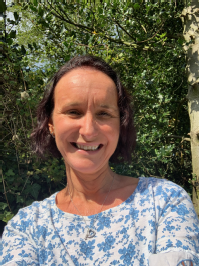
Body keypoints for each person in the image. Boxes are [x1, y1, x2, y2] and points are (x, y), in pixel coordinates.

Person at [2, 55, 199, 266]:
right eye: (73, 112)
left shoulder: (164, 201)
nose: (88, 131)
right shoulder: (25, 228)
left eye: (104, 113)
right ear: (50, 124)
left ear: (120, 124)